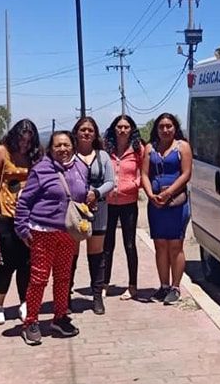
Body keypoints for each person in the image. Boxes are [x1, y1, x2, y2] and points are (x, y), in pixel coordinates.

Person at [16, 130, 86, 345]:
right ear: (50, 148)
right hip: (43, 231)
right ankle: (30, 322)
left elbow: (83, 192)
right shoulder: (41, 170)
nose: (63, 149)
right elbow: (24, 201)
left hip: (67, 232)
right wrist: (22, 228)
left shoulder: (80, 167)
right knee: (39, 279)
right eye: (58, 146)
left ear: (72, 146)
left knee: (64, 278)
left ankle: (60, 317)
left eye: (66, 145)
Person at [0, 118, 42, 325]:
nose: (24, 144)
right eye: (21, 139)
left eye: (29, 141)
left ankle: (25, 303)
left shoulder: (35, 156)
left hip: (29, 218)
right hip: (5, 217)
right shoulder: (1, 151)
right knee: (5, 264)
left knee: (27, 263)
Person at [141, 113, 193, 304]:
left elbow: (186, 174)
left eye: (169, 126)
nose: (165, 130)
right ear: (156, 128)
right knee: (160, 245)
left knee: (175, 245)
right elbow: (144, 174)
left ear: (175, 127)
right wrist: (150, 194)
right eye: (161, 126)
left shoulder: (182, 147)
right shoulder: (149, 148)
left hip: (176, 203)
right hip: (155, 204)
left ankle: (176, 287)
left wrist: (168, 193)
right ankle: (163, 286)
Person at [71, 116, 115, 315]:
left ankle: (96, 296)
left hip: (99, 209)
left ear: (95, 133)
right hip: (74, 212)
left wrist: (96, 193)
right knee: (71, 254)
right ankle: (65, 296)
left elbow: (110, 181)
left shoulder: (103, 156)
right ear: (76, 132)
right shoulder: (69, 154)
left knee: (96, 254)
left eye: (90, 130)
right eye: (83, 130)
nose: (86, 133)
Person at [103, 114, 143, 301]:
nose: (122, 130)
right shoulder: (106, 149)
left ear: (131, 129)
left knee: (129, 244)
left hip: (129, 203)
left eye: (126, 127)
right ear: (114, 129)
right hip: (108, 203)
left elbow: (145, 173)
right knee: (107, 245)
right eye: (119, 127)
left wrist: (134, 184)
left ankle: (132, 285)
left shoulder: (138, 149)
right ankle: (104, 283)